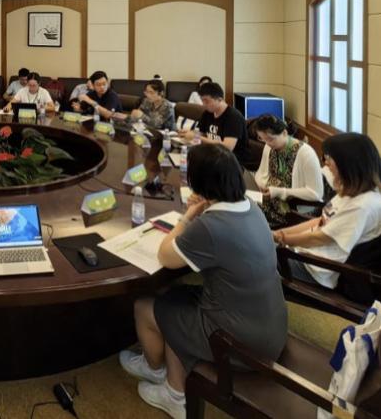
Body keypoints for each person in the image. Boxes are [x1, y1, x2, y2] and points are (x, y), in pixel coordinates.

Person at [120, 143, 287, 418]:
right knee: (174, 296)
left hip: (239, 343)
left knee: (143, 307)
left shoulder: (211, 225)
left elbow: (166, 256)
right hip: (270, 327)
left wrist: (188, 217)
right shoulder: (251, 207)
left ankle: (163, 381)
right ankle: (175, 382)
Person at [273, 133, 381, 288]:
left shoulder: (363, 206)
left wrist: (281, 239)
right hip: (303, 252)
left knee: (251, 259)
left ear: (348, 164)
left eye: (330, 158)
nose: (326, 162)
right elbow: (321, 221)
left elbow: (319, 238)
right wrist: (279, 234)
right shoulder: (352, 191)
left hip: (315, 268)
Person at [252, 114, 323, 228]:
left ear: (284, 133)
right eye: (262, 139)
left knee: (255, 221)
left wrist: (280, 192)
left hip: (294, 208)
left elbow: (315, 193)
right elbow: (262, 174)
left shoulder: (305, 154)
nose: (267, 143)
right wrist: (263, 187)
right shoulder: (269, 147)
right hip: (272, 201)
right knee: (247, 211)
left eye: (270, 139)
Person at [185, 82, 247, 157]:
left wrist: (197, 137)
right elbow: (202, 132)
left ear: (219, 99)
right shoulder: (208, 113)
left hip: (231, 159)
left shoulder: (234, 117)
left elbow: (227, 147)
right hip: (213, 155)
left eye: (207, 101)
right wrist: (190, 133)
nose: (204, 104)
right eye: (202, 101)